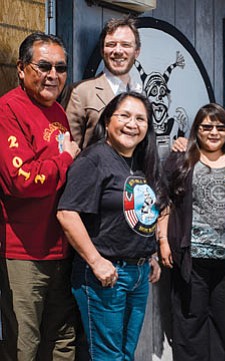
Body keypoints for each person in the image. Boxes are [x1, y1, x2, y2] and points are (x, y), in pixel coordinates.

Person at [57, 91, 167, 360]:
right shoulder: (94, 159)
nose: (133, 124)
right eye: (125, 116)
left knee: (125, 354)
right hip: (105, 275)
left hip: (139, 274)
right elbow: (67, 213)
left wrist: (150, 253)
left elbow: (147, 212)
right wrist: (96, 262)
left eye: (141, 119)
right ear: (107, 120)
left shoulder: (143, 162)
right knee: (108, 356)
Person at [0, 32, 80, 360]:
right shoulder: (8, 110)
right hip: (24, 254)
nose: (53, 75)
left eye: (60, 68)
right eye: (43, 65)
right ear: (21, 68)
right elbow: (23, 179)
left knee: (63, 342)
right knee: (23, 347)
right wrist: (66, 159)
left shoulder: (59, 114)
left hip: (61, 252)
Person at [158, 103, 225, 361]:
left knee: (223, 322)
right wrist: (163, 241)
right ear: (197, 129)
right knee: (189, 321)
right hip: (190, 256)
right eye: (206, 127)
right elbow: (165, 201)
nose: (213, 132)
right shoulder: (180, 159)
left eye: (220, 127)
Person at [64, 16, 142, 149]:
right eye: (111, 44)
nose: (118, 51)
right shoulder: (80, 92)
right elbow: (70, 150)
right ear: (102, 51)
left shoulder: (140, 92)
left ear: (136, 52)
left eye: (125, 45)